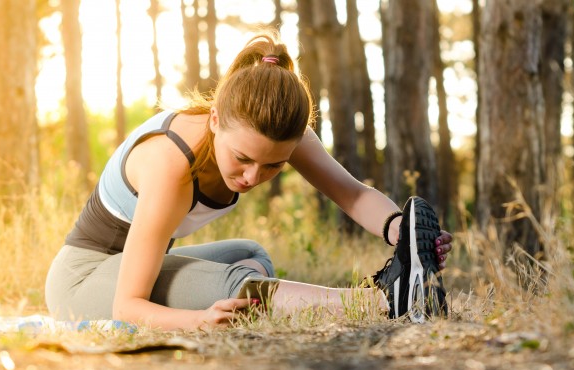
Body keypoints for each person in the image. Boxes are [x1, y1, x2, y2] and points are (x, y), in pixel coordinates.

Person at [45, 33, 453, 330]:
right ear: (216, 120)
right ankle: (381, 302)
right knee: (240, 287)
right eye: (242, 159)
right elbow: (127, 306)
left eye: (273, 166)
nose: (253, 177)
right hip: (82, 282)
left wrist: (402, 232)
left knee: (251, 254)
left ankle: (400, 288)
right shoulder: (171, 163)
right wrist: (197, 319)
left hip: (135, 267)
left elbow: (353, 194)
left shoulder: (275, 131)